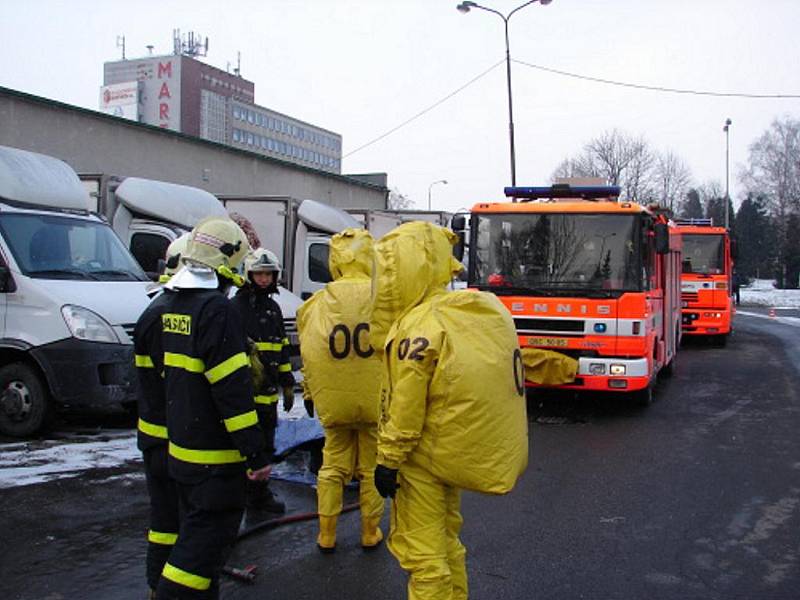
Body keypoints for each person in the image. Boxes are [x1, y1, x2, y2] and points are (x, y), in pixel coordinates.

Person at [370, 222, 529, 600]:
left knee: (423, 556)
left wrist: (388, 460)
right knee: (447, 540)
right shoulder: (467, 311)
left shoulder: (418, 325)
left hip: (419, 460)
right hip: (449, 453)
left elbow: (405, 407)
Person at [155, 216, 271, 600]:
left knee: (196, 547)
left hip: (182, 454)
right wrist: (256, 454)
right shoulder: (218, 311)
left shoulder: (171, 304)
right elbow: (233, 393)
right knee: (199, 554)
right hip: (216, 461)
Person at [296, 228, 384, 553]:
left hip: (333, 402)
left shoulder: (316, 304)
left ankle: (327, 534)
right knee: (372, 469)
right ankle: (369, 532)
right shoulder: (384, 298)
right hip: (375, 403)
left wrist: (309, 393)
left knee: (332, 466)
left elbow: (309, 353)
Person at [134, 234, 188, 599]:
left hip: (158, 436)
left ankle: (160, 585)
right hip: (169, 438)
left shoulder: (157, 308)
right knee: (171, 519)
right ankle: (163, 587)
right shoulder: (166, 314)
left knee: (167, 519)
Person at [231, 247, 295, 513]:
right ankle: (238, 492)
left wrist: (288, 381)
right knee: (245, 445)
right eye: (259, 274)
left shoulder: (273, 308)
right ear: (249, 274)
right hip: (244, 391)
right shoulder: (236, 307)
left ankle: (259, 494)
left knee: (266, 443)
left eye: (269, 274)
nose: (265, 280)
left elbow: (281, 347)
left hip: (268, 392)